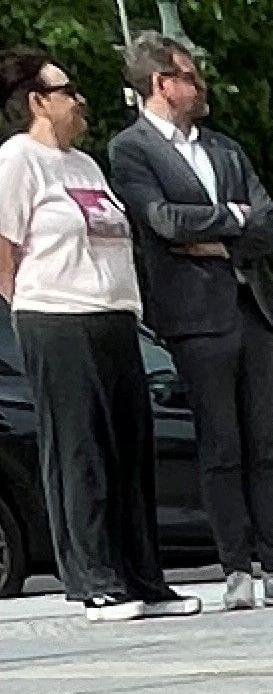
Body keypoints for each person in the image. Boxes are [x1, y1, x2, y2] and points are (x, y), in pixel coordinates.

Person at [104, 32, 273, 609]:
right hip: (195, 316)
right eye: (190, 77)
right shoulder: (132, 150)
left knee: (266, 442)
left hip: (253, 307)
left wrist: (220, 233)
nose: (201, 86)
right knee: (221, 445)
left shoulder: (224, 149)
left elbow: (271, 225)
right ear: (161, 84)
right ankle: (237, 570)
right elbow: (162, 221)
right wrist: (235, 219)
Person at [0, 45, 194, 620]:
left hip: (113, 316)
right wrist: (28, 302)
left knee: (129, 448)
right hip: (56, 317)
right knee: (78, 449)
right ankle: (94, 580)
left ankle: (143, 577)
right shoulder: (18, 160)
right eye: (67, 91)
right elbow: (4, 249)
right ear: (37, 101)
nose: (80, 101)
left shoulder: (84, 166)